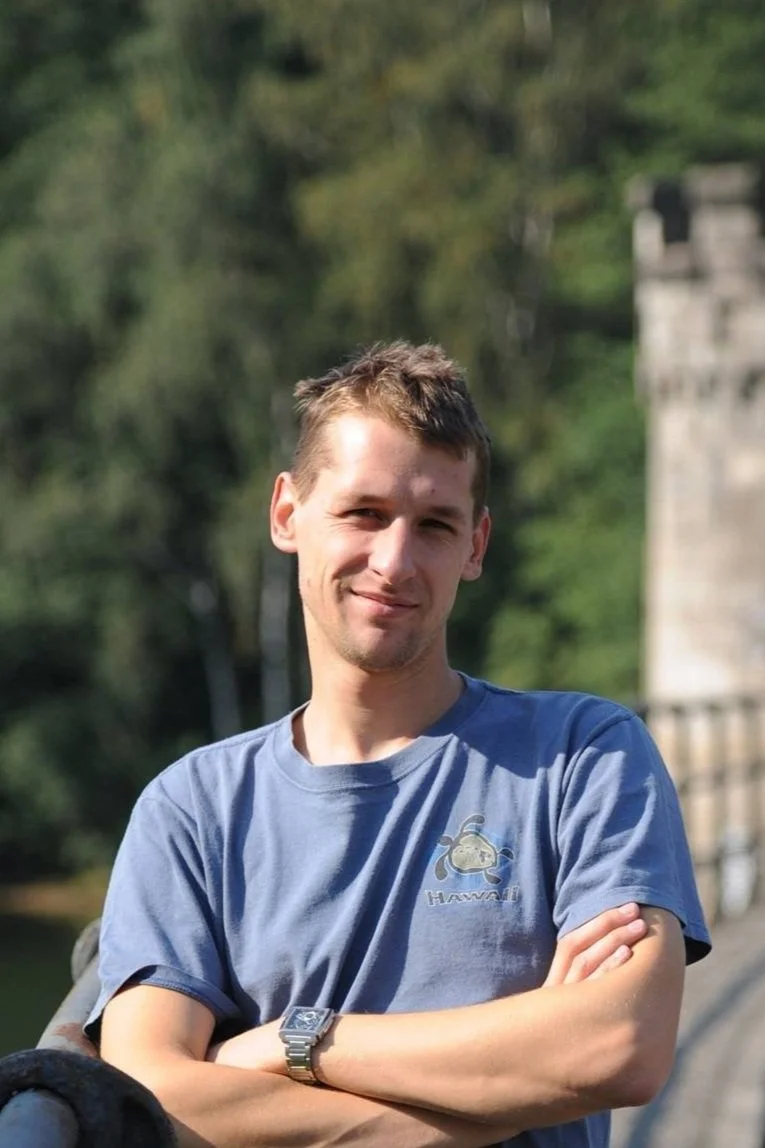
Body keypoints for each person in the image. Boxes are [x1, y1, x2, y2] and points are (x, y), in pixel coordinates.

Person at [87, 341, 711, 1148]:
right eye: (363, 513)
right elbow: (153, 1095)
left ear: (475, 547)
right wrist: (497, 1099)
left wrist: (294, 1041)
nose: (394, 560)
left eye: (434, 526)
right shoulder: (192, 809)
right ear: (287, 514)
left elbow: (619, 1045)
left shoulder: (584, 756)